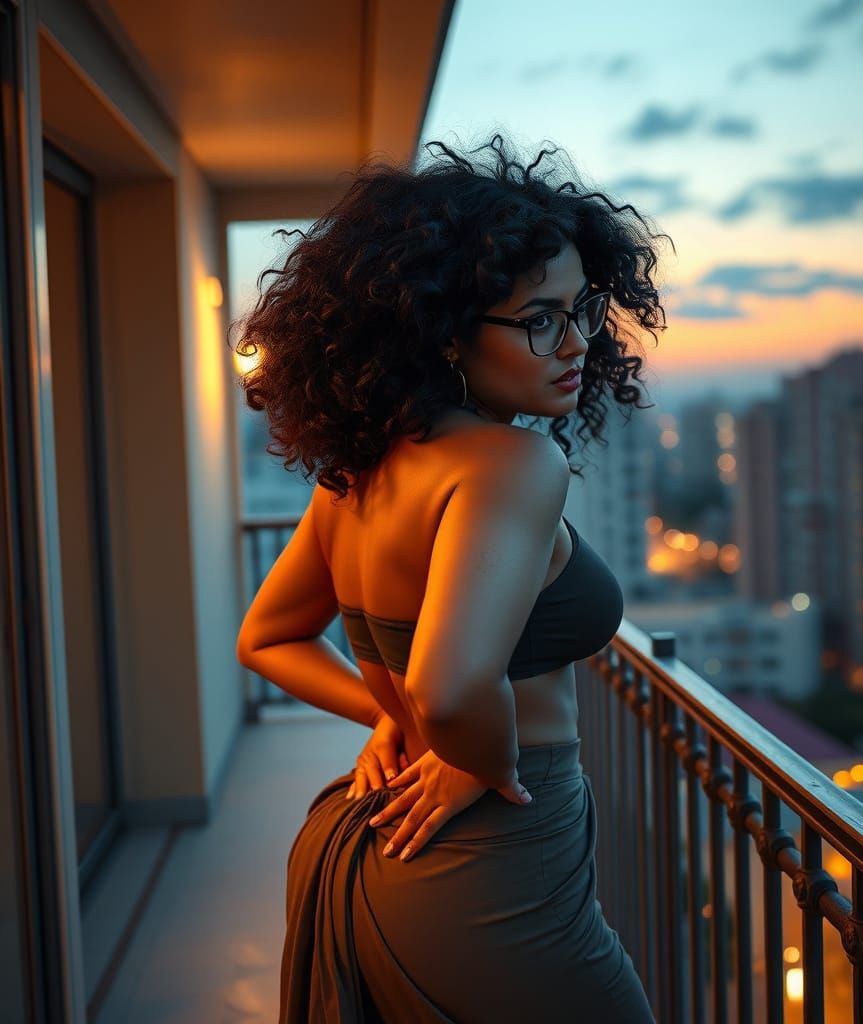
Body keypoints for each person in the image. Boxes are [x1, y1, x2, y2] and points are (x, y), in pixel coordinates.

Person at [234, 133, 670, 1023]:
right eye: (539, 319)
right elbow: (450, 680)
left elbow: (268, 639)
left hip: (387, 858)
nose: (576, 342)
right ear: (442, 336)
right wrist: (480, 760)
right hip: (496, 870)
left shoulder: (359, 469)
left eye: (583, 308)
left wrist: (392, 720)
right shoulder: (513, 464)